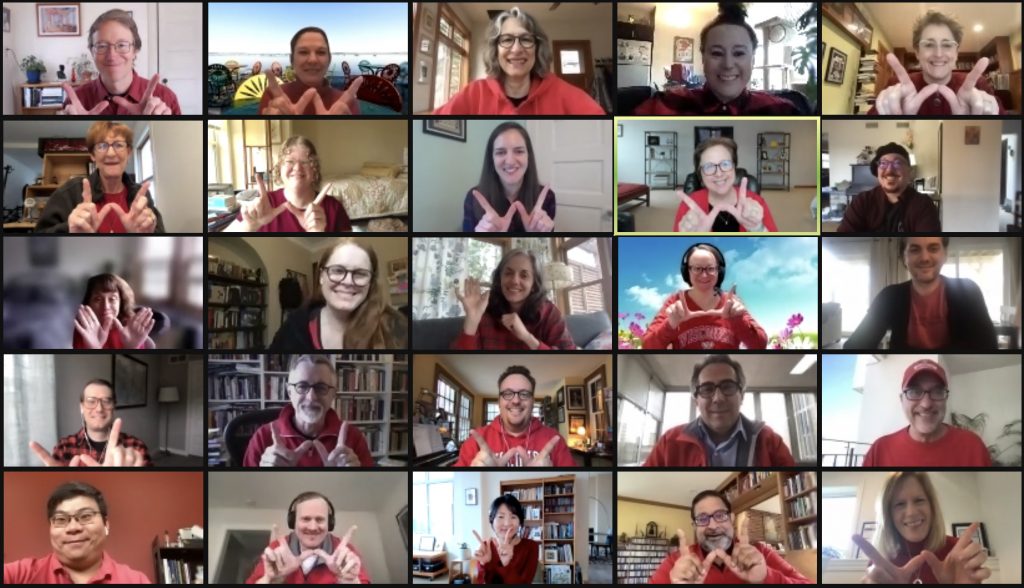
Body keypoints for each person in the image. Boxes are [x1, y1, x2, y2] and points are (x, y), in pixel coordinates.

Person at [632, 3, 801, 115]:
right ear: (703, 58)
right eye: (717, 53)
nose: (728, 65)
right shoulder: (663, 104)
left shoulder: (783, 110)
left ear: (753, 60)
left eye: (739, 53)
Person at [433, 7, 604, 115]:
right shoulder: (473, 94)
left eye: (526, 39)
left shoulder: (566, 95)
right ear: (495, 48)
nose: (516, 49)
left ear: (537, 48)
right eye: (507, 40)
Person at [845, 237, 997, 350]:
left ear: (944, 254)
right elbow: (855, 346)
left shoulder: (968, 291)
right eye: (915, 249)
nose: (925, 258)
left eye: (933, 248)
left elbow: (988, 346)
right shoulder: (889, 297)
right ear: (904, 257)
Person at [644, 355, 795, 467]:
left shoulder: (769, 441)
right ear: (696, 400)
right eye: (707, 389)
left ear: (741, 395)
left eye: (728, 386)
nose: (718, 398)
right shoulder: (669, 443)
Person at [269, 239, 408, 350]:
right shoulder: (293, 327)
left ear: (371, 282)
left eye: (360, 274)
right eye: (338, 271)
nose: (348, 282)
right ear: (321, 276)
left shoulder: (395, 328)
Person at [851, 472, 990, 584]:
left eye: (919, 500)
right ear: (888, 515)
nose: (911, 512)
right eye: (899, 504)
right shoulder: (881, 562)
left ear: (932, 507)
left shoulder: (959, 554)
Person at [648, 490, 811, 583]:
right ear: (695, 526)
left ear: (732, 519)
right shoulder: (675, 563)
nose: (712, 526)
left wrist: (767, 577)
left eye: (720, 515)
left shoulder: (760, 553)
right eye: (702, 519)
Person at [3, 481, 151, 583]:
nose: (73, 528)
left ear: (106, 524)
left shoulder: (136, 580)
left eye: (85, 516)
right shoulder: (20, 574)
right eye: (61, 519)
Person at [243, 355, 373, 467]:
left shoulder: (354, 438)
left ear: (333, 394)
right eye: (302, 386)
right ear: (289, 392)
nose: (311, 397)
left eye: (321, 388)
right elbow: (249, 490)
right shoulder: (262, 437)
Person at [36, 121, 165, 233]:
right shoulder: (69, 192)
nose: (110, 153)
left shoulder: (142, 195)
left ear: (129, 152)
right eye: (102, 146)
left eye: (118, 145)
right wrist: (70, 230)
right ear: (93, 155)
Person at [869, 11, 1003, 116]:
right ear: (917, 52)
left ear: (956, 53)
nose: (938, 54)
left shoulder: (978, 84)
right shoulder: (897, 83)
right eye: (928, 44)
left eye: (947, 45)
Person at [863, 359, 991, 467]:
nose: (926, 404)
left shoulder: (973, 447)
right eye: (914, 391)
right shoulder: (879, 451)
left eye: (937, 391)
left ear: (946, 398)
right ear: (902, 399)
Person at [642, 243, 768, 349]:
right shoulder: (675, 302)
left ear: (719, 271)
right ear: (687, 272)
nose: (704, 275)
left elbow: (760, 345)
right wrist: (670, 325)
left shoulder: (732, 302)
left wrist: (738, 321)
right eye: (697, 269)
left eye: (710, 268)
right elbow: (647, 345)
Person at [61, 9, 180, 115]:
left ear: (135, 50)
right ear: (92, 52)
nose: (112, 55)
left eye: (122, 45)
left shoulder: (166, 98)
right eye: (102, 46)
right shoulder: (75, 102)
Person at [452, 249, 575, 350]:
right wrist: (472, 319)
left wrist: (527, 338)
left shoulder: (549, 313)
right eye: (508, 273)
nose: (515, 281)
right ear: (499, 279)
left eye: (524, 275)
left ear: (534, 285)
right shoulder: (484, 308)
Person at [224, 136, 352, 232]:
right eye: (290, 161)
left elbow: (348, 249)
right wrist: (251, 226)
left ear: (315, 170)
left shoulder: (334, 208)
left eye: (305, 162)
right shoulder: (264, 203)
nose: (297, 168)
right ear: (279, 168)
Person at [456, 365, 574, 467]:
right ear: (499, 401)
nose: (516, 400)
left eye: (524, 394)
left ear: (532, 401)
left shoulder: (554, 440)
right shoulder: (475, 442)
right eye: (508, 393)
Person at [245, 492, 369, 583]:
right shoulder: (277, 548)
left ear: (329, 523)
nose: (313, 527)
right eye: (305, 519)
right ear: (293, 522)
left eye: (320, 519)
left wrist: (349, 581)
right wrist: (271, 579)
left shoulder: (345, 551)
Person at [27, 379, 151, 467]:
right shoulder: (63, 447)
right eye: (91, 401)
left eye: (106, 401)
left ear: (114, 407)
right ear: (81, 407)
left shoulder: (136, 447)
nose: (99, 409)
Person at [463, 122, 555, 233]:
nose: (510, 161)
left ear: (528, 156)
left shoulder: (547, 198)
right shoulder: (473, 198)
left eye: (519, 151)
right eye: (501, 152)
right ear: (491, 159)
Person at [674, 138, 778, 232]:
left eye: (725, 164)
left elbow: (775, 247)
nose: (718, 174)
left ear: (734, 167)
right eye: (709, 166)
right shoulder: (689, 206)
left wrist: (757, 228)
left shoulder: (756, 202)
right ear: (700, 174)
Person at [837, 143, 941, 232]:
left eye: (898, 163)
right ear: (877, 171)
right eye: (883, 163)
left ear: (909, 171)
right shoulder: (861, 202)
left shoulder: (923, 205)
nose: (890, 169)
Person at [258, 27, 363, 115]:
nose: (313, 60)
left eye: (321, 52)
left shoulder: (348, 103)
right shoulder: (272, 96)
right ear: (291, 60)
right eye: (303, 52)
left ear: (329, 59)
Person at [73, 274, 156, 350]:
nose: (106, 306)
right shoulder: (84, 330)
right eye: (97, 299)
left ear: (121, 302)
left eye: (112, 299)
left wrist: (131, 347)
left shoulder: (132, 329)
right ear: (88, 303)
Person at [469, 495, 539, 584]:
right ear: (492, 520)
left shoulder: (531, 547)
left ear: (520, 522)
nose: (507, 523)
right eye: (501, 517)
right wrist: (483, 564)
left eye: (513, 517)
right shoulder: (485, 547)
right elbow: (480, 581)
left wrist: (506, 565)